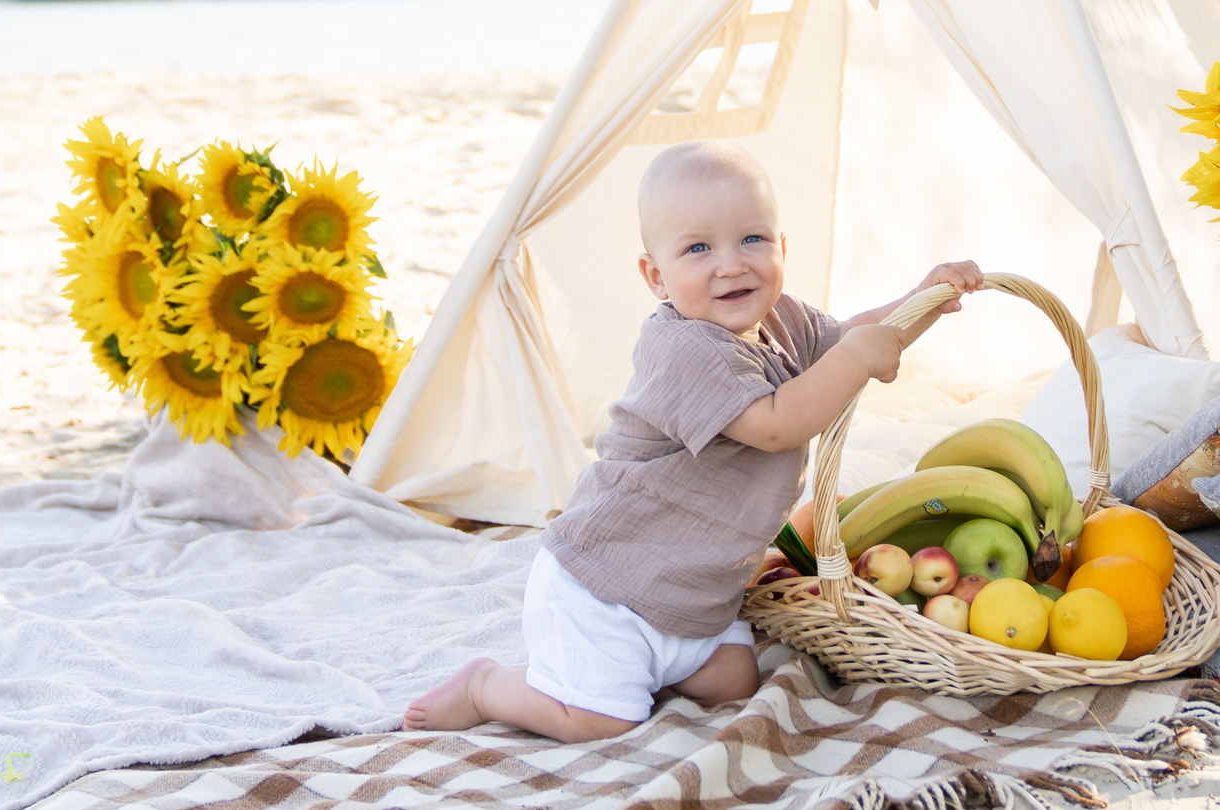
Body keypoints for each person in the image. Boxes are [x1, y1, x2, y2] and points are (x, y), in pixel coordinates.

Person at [403, 140, 981, 739]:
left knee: (735, 682)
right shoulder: (683, 349)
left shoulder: (780, 319)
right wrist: (858, 360)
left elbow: (850, 338)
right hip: (606, 586)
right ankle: (489, 687)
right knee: (603, 722)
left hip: (690, 598)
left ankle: (648, 667)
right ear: (656, 277)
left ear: (783, 248)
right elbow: (776, 423)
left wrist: (926, 300)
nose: (730, 264)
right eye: (698, 248)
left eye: (752, 240)